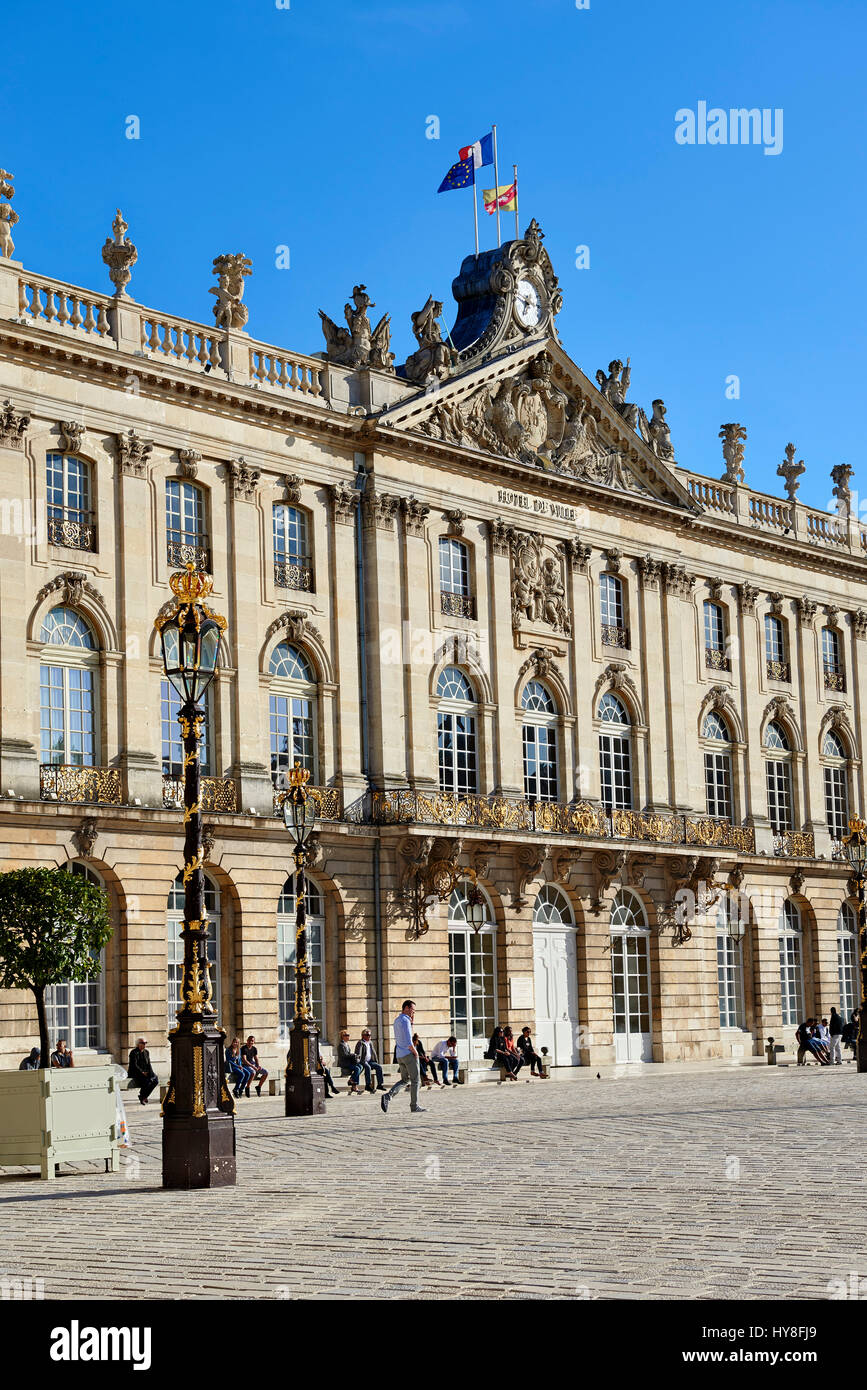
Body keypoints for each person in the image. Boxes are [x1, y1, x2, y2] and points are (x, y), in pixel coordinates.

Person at [381, 1000, 424, 1114]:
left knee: (405, 1079)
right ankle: (414, 1106)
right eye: (412, 1009)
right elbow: (409, 1040)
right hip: (408, 1054)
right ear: (406, 1008)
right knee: (416, 1080)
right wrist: (415, 1053)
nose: (413, 1012)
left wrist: (412, 1023)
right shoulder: (405, 1020)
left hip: (400, 1054)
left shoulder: (397, 1020)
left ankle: (388, 1096)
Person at [127, 1037, 159, 1104]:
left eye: (145, 1043)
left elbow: (149, 1064)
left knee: (155, 1080)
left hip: (145, 1072)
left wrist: (152, 1073)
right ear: (138, 1044)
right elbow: (134, 1065)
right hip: (135, 1072)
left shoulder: (146, 1052)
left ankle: (144, 1096)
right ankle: (142, 1096)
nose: (144, 1044)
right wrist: (142, 1072)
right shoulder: (134, 1052)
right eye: (143, 1043)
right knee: (147, 1081)